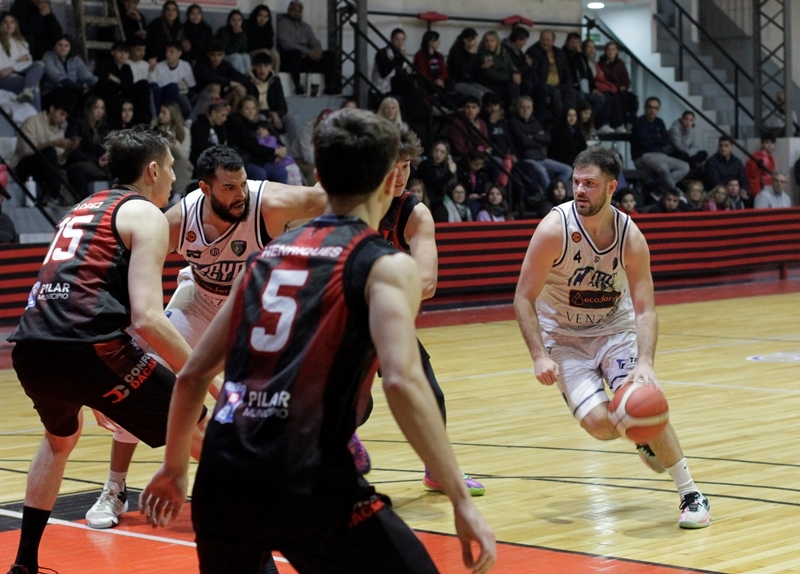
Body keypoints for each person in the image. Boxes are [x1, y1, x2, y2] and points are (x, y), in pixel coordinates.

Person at [138, 109, 496, 574]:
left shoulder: (264, 260)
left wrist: (174, 468)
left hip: (223, 477)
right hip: (306, 475)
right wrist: (458, 497)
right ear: (392, 180)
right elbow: (403, 384)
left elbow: (190, 376)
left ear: (320, 177)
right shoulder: (384, 265)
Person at [81, 144, 327, 536]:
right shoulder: (178, 219)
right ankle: (114, 487)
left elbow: (326, 195)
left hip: (249, 310)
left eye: (242, 184)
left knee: (279, 401)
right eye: (229, 188)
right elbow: (126, 280)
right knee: (148, 381)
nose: (240, 194)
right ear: (205, 188)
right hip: (197, 302)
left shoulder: (270, 203)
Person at [5, 127, 212, 574]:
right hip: (88, 345)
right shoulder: (146, 214)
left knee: (60, 440)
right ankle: (261, 551)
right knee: (205, 431)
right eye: (173, 168)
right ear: (153, 169)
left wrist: (95, 383)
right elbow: (148, 320)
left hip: (31, 347)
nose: (175, 179)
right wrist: (209, 380)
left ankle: (24, 565)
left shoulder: (80, 208)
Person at [514, 146, 711, 530]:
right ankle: (638, 437)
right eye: (576, 183)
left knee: (646, 403)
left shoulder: (629, 235)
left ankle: (691, 493)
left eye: (590, 184)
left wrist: (646, 364)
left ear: (611, 187)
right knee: (601, 426)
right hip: (565, 338)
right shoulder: (554, 229)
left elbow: (646, 308)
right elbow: (523, 296)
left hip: (614, 331)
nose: (580, 191)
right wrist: (539, 354)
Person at [370, 127, 485, 495]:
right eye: (394, 166)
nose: (401, 175)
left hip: (381, 316)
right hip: (339, 315)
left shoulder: (413, 212)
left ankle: (436, 469)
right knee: (350, 406)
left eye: (406, 166)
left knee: (430, 393)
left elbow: (427, 282)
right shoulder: (351, 200)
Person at [11, 93, 79, 206]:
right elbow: (27, 150)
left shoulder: (59, 131)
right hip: (23, 166)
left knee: (75, 170)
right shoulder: (32, 122)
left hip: (44, 169)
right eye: (61, 114)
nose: (63, 119)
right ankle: (54, 195)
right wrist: (53, 143)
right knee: (49, 152)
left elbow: (59, 161)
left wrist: (68, 149)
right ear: (52, 109)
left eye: (65, 117)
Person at [509, 95, 573, 193]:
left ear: (532, 109)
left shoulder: (535, 122)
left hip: (541, 157)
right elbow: (523, 141)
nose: (525, 110)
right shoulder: (514, 123)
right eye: (522, 107)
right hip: (526, 158)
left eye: (528, 107)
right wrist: (538, 140)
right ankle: (551, 195)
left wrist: (533, 137)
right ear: (518, 108)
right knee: (542, 170)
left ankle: (553, 190)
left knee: (568, 170)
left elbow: (547, 138)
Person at [276, 0, 339, 96]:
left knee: (330, 55)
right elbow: (286, 44)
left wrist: (318, 52)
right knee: (295, 53)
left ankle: (330, 86)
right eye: (294, 10)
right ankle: (298, 86)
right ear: (289, 10)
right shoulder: (282, 24)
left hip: (305, 58)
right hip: (290, 58)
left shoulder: (306, 27)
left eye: (299, 11)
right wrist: (308, 51)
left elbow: (314, 41)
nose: (296, 13)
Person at [631, 96, 689, 191]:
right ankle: (674, 191)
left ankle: (660, 188)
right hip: (642, 157)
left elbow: (665, 140)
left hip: (660, 155)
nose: (652, 110)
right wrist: (657, 139)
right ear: (645, 108)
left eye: (655, 108)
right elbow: (645, 143)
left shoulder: (659, 122)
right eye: (650, 107)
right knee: (663, 167)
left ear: (658, 110)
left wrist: (654, 139)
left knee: (685, 166)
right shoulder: (639, 123)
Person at [227, 95, 289, 183]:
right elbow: (253, 146)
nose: (250, 112)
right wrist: (275, 152)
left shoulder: (256, 124)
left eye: (253, 109)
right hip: (244, 161)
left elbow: (273, 134)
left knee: (281, 172)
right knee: (260, 173)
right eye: (247, 109)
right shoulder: (237, 124)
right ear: (240, 110)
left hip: (259, 160)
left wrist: (282, 148)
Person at [525, 29, 577, 124]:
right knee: (556, 93)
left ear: (553, 41)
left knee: (571, 92)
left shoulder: (559, 53)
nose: (545, 42)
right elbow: (534, 74)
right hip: (544, 85)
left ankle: (571, 122)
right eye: (543, 40)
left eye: (548, 40)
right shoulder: (533, 51)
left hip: (559, 84)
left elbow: (567, 72)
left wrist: (569, 85)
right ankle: (561, 122)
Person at [41, 34, 96, 114]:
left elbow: (87, 75)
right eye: (60, 45)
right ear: (54, 46)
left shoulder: (75, 59)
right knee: (69, 91)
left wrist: (89, 84)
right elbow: (56, 76)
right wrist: (79, 86)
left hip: (74, 90)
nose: (63, 48)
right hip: (51, 92)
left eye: (66, 46)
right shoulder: (48, 56)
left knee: (89, 92)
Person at [0, 12, 44, 108]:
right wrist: (18, 62)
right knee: (34, 87)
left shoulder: (20, 41)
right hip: (3, 79)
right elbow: (3, 71)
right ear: (1, 25)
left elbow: (28, 62)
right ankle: (36, 119)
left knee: (39, 64)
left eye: (12, 22)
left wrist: (13, 67)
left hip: (17, 72)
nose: (9, 25)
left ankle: (27, 89)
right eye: (5, 22)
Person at [153, 101, 192, 198]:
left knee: (184, 163)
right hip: (158, 159)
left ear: (173, 114)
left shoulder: (183, 131)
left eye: (164, 112)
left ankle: (177, 195)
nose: (160, 115)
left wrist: (174, 142)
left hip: (175, 162)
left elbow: (184, 155)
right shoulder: (154, 127)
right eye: (160, 112)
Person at [149, 40, 196, 121]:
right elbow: (155, 86)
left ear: (179, 53)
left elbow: (191, 85)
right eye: (166, 51)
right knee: (172, 87)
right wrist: (151, 69)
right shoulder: (159, 66)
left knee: (183, 96)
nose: (168, 54)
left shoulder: (185, 65)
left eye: (171, 52)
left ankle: (187, 120)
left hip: (179, 94)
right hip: (163, 94)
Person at [597, 41, 638, 127]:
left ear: (616, 51)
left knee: (632, 99)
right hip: (607, 88)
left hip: (619, 88)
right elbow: (601, 79)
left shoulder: (620, 63)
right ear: (605, 51)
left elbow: (626, 79)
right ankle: (614, 124)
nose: (611, 52)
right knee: (613, 98)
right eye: (608, 49)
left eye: (613, 49)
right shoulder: (600, 64)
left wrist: (623, 86)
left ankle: (628, 122)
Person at [447, 27, 492, 103]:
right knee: (479, 94)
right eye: (473, 40)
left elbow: (474, 71)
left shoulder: (473, 52)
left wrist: (483, 66)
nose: (475, 43)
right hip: (458, 82)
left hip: (471, 82)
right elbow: (461, 71)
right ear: (465, 40)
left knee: (490, 94)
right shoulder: (456, 51)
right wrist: (470, 54)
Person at [476, 30, 519, 107]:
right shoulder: (483, 55)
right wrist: (509, 77)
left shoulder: (503, 51)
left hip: (507, 80)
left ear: (496, 41)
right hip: (492, 83)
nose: (489, 43)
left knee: (517, 85)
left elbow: (512, 66)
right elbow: (489, 73)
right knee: (510, 88)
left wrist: (516, 73)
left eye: (492, 41)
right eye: (487, 41)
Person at [371, 27, 411, 101]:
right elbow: (384, 72)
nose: (400, 43)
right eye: (397, 39)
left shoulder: (401, 53)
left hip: (396, 85)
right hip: (383, 87)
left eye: (402, 40)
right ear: (392, 40)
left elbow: (402, 72)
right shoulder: (382, 53)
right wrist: (397, 58)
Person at [415, 139, 456, 211]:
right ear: (432, 151)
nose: (438, 154)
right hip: (427, 199)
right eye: (436, 150)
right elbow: (436, 185)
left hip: (438, 200)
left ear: (447, 155)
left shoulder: (444, 168)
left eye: (442, 152)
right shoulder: (426, 165)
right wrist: (450, 173)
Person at [145, 0, 183, 65]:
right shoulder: (156, 24)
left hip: (174, 61)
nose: (170, 12)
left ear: (177, 13)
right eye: (168, 10)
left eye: (173, 10)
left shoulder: (180, 27)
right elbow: (151, 44)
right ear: (164, 12)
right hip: (157, 59)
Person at [216, 9, 251, 75]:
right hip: (224, 56)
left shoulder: (242, 32)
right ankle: (238, 79)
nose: (236, 23)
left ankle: (248, 78)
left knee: (246, 56)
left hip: (236, 55)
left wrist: (240, 35)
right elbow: (230, 50)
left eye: (239, 20)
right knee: (237, 56)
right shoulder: (224, 31)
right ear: (229, 21)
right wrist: (237, 36)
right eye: (233, 20)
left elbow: (244, 49)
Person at [246, 5, 279, 71]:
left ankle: (274, 77)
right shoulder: (248, 25)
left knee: (275, 54)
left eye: (266, 16)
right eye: (260, 15)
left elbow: (269, 44)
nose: (262, 19)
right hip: (249, 53)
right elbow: (249, 45)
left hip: (264, 50)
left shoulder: (268, 28)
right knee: (265, 52)